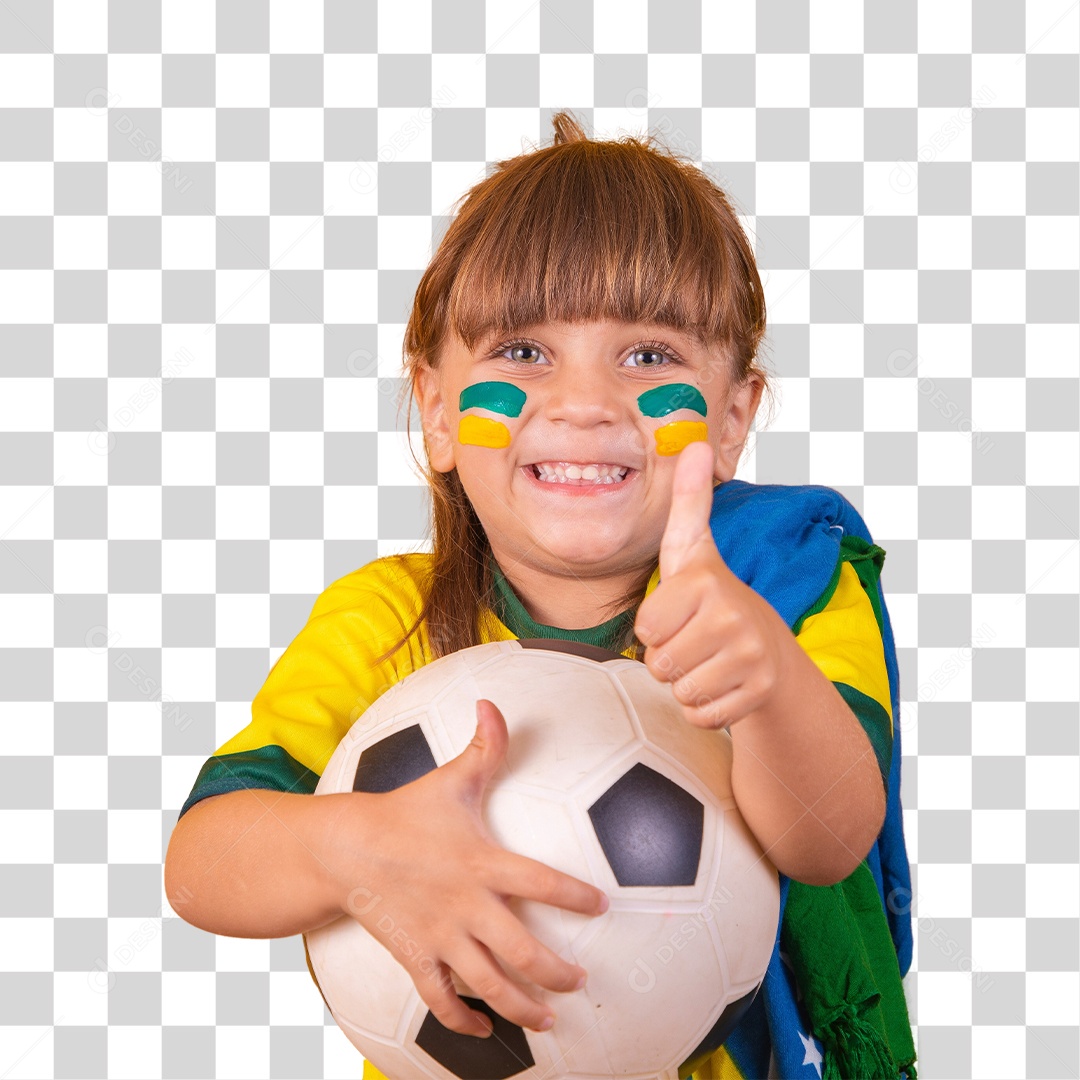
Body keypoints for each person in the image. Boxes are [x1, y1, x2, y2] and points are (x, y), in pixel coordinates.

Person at [166, 111, 915, 1079]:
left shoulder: (783, 594)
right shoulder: (383, 620)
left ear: (733, 421)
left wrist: (766, 683)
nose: (584, 401)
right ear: (437, 412)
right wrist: (352, 848)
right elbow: (201, 864)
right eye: (523, 352)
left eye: (649, 356)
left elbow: (831, 841)